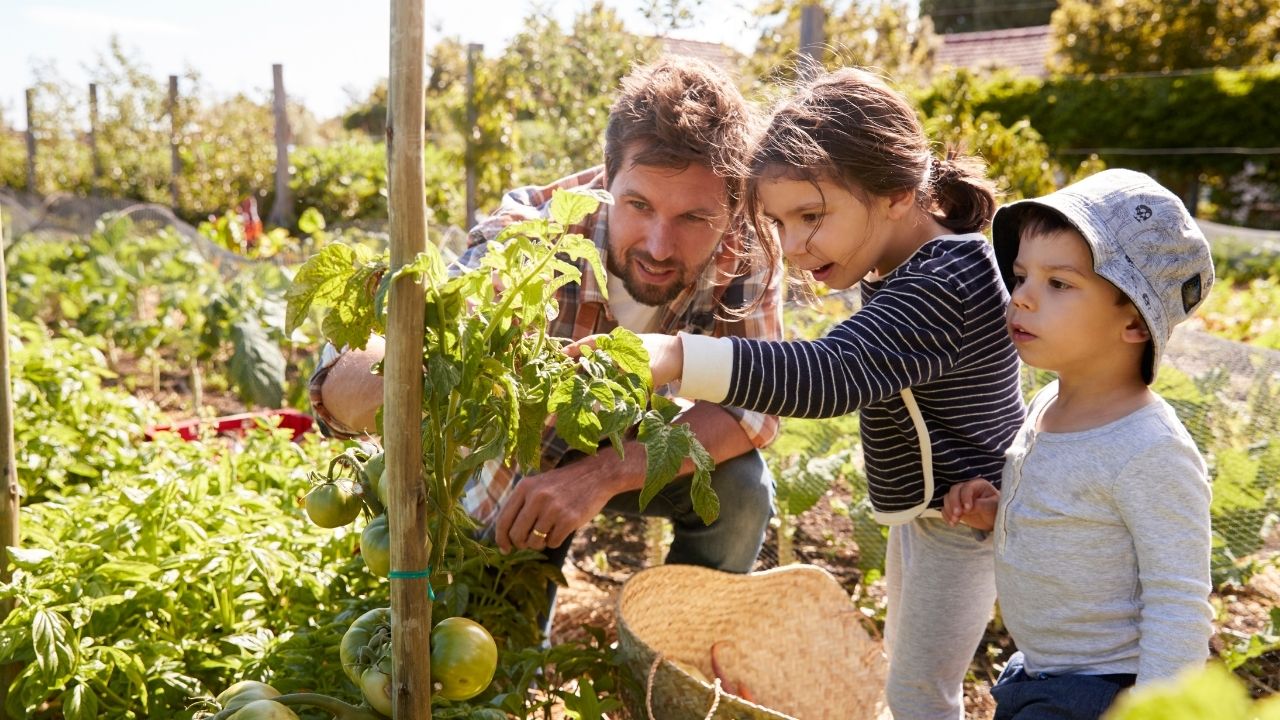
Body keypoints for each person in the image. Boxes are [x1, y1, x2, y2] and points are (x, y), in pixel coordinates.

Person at [616, 68, 1027, 719]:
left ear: (894, 191)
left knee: (923, 690)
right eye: (779, 223)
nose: (795, 246)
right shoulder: (903, 267)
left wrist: (672, 357)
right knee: (912, 678)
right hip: (936, 515)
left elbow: (830, 374)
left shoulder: (947, 276)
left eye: (812, 216)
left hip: (966, 519)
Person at [310, 56, 784, 617]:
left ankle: (678, 644)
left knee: (742, 490)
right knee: (498, 638)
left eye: (693, 219)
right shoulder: (533, 234)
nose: (659, 245)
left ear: (730, 209)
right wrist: (385, 374)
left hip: (640, 447)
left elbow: (752, 410)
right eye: (639, 206)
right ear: (607, 178)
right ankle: (522, 613)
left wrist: (604, 473)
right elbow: (382, 357)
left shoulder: (745, 251)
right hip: (524, 462)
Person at [942, 168, 1216, 720]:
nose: (1021, 298)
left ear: (1135, 321)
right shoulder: (1048, 404)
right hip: (1038, 672)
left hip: (1103, 691)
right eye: (1020, 276)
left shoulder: (1149, 450)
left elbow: (1179, 602)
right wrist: (1000, 513)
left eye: (1058, 284)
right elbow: (1072, 516)